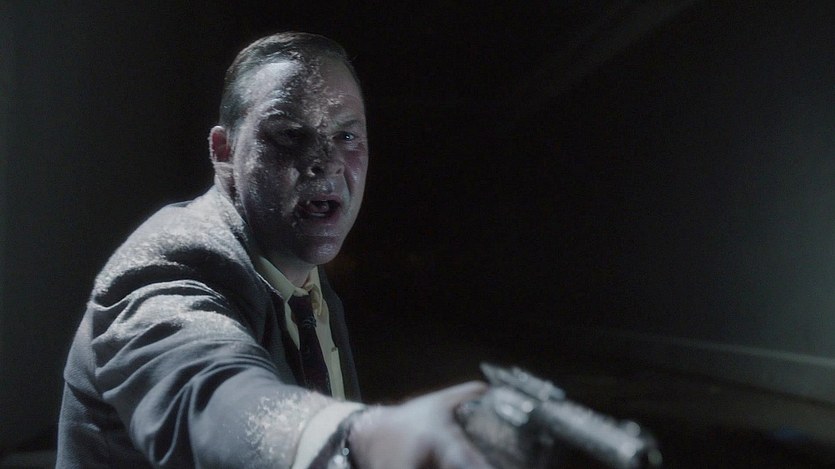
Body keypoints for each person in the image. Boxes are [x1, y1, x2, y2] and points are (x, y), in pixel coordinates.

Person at [57, 32, 492, 468]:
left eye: (346, 135)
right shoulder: (168, 264)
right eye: (289, 134)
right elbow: (209, 393)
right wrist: (363, 436)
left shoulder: (305, 283)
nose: (326, 160)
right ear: (224, 151)